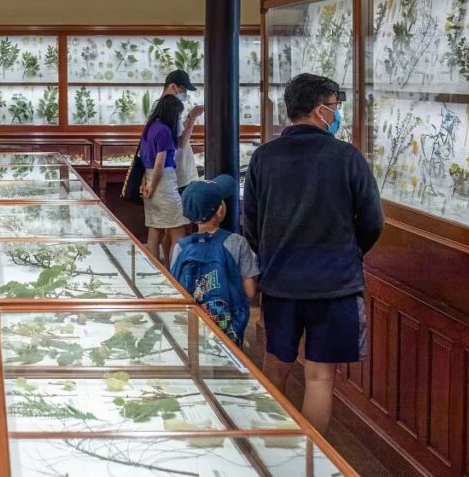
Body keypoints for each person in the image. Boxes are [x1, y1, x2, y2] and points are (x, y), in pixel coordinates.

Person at [243, 73, 384, 434]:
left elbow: (252, 223)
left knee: (275, 367)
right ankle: (309, 465)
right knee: (320, 378)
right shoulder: (348, 158)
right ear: (321, 110)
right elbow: (373, 222)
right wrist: (349, 252)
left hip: (280, 283)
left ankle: (267, 454)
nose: (337, 114)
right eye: (335, 107)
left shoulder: (264, 157)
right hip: (335, 285)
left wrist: (273, 254)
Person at [171, 174, 259, 346]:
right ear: (220, 210)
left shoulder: (180, 247)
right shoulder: (237, 242)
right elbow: (250, 291)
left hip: (193, 325)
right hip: (229, 326)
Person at [139, 95, 190, 266]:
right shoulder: (165, 131)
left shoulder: (150, 127)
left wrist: (146, 184)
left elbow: (143, 159)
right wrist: (153, 187)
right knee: (178, 230)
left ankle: (156, 270)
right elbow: (160, 162)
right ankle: (177, 274)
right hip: (163, 183)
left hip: (148, 177)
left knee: (154, 230)